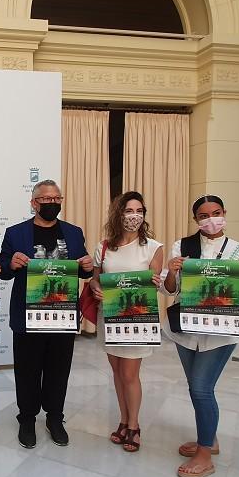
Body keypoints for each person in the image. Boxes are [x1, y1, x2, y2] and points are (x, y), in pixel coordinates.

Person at [161, 194, 239, 477]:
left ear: (224, 213)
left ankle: (204, 455)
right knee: (196, 387)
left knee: (201, 388)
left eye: (216, 213)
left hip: (221, 333)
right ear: (196, 220)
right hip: (187, 328)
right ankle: (209, 439)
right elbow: (170, 290)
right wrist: (172, 270)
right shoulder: (183, 246)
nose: (210, 220)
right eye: (204, 216)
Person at [0, 179, 93, 449]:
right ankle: (27, 419)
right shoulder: (16, 233)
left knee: (58, 368)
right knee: (27, 369)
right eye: (46, 199)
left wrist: (87, 266)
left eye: (56, 199)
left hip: (62, 314)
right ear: (33, 203)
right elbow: (3, 270)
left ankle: (55, 418)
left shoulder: (74, 233)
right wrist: (11, 263)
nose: (51, 203)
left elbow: (83, 268)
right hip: (28, 315)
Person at [88, 191, 163, 453]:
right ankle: (122, 420)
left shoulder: (153, 247)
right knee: (117, 372)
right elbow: (95, 279)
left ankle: (134, 425)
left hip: (137, 319)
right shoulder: (105, 246)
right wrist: (96, 287)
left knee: (130, 373)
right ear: (118, 214)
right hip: (109, 317)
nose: (134, 216)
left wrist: (156, 282)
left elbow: (156, 284)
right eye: (129, 211)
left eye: (139, 211)